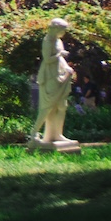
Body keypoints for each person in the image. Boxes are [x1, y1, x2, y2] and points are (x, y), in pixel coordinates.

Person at [31, 18, 77, 146]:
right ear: (56, 28)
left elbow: (60, 58)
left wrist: (66, 67)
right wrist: (60, 54)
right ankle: (34, 133)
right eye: (63, 30)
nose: (64, 32)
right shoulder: (47, 41)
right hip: (50, 74)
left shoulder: (58, 41)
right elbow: (48, 59)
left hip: (59, 73)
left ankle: (57, 134)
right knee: (47, 107)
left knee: (62, 106)